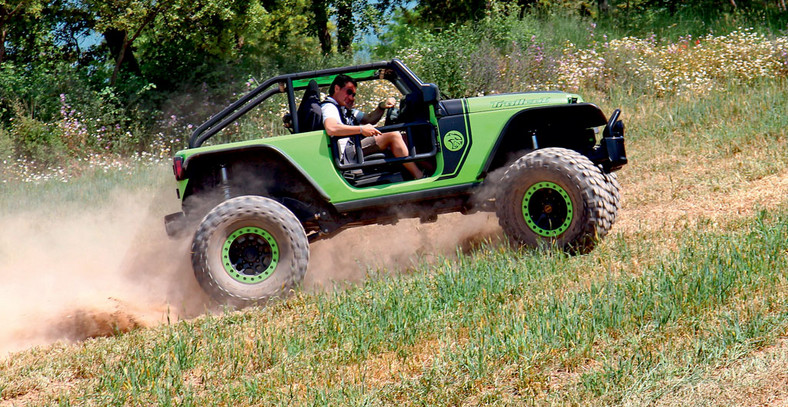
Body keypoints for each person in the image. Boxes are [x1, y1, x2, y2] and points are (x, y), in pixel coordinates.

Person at [321, 74, 423, 179]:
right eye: (349, 92)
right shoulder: (329, 107)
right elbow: (331, 128)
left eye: (354, 94)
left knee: (405, 138)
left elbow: (370, 119)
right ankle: (419, 176)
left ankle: (430, 170)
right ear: (337, 88)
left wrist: (382, 106)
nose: (352, 98)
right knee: (393, 135)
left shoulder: (344, 109)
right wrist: (361, 129)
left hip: (354, 145)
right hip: (347, 152)